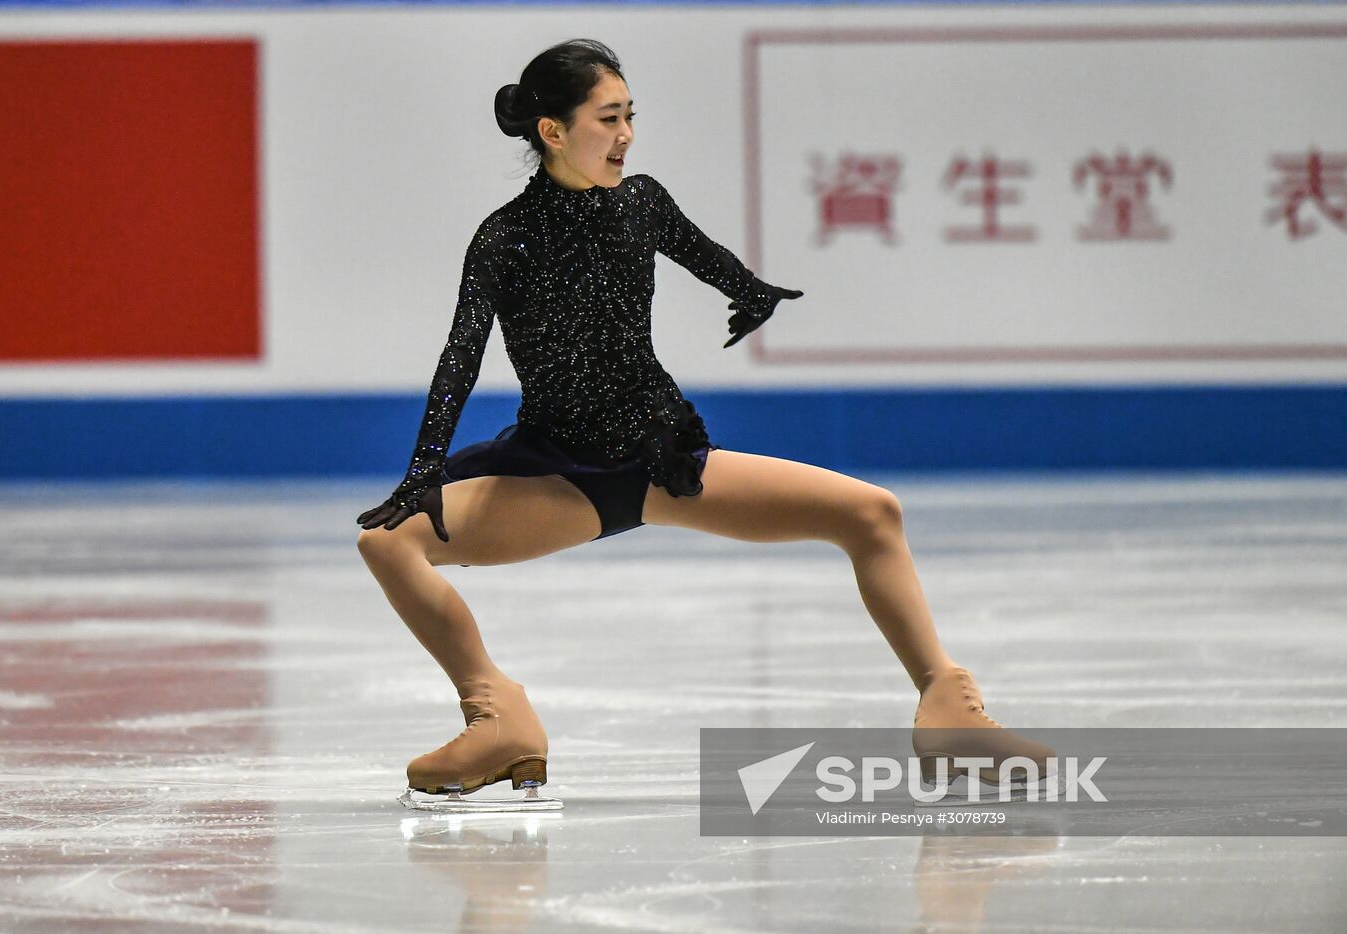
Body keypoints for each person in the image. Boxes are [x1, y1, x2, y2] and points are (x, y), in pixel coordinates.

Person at [357, 39, 1053, 808]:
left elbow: (704, 256)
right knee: (386, 542)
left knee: (873, 514)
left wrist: (751, 291)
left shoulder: (641, 202)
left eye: (630, 117)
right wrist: (426, 467)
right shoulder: (504, 238)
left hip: (664, 465)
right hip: (560, 478)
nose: (625, 135)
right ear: (552, 131)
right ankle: (499, 715)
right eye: (607, 118)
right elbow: (462, 353)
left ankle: (948, 709)